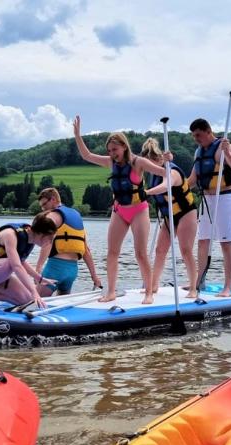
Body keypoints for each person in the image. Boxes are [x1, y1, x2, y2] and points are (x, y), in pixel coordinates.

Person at [73, 115, 171, 304]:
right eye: (109, 150)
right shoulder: (110, 162)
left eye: (115, 150)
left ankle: (149, 292)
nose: (111, 154)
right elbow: (87, 156)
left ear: (124, 147)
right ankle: (110, 292)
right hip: (119, 211)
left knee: (140, 254)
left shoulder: (138, 162)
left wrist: (166, 161)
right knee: (112, 252)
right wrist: (78, 135)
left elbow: (162, 172)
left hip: (139, 211)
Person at [187, 118, 231, 297]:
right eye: (194, 136)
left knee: (225, 242)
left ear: (208, 131)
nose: (196, 139)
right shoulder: (199, 152)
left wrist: (229, 153)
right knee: (203, 240)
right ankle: (199, 282)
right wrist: (172, 190)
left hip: (225, 197)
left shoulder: (222, 146)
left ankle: (227, 287)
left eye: (198, 135)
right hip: (206, 199)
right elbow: (191, 181)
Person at [139, 138, 199, 298]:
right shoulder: (155, 172)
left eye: (149, 164)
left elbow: (166, 185)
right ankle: (153, 285)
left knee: (186, 250)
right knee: (160, 250)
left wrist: (148, 192)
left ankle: (194, 287)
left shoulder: (170, 171)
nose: (148, 169)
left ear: (156, 159)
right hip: (169, 216)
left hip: (186, 213)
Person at [0, 212, 57, 308]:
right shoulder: (10, 234)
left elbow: (22, 262)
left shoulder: (30, 238)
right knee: (11, 263)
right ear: (41, 234)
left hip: (1, 277)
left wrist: (39, 279)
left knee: (28, 301)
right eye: (50, 238)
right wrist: (34, 292)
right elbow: (16, 266)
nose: (51, 242)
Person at [34, 188, 102, 297]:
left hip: (55, 268)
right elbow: (86, 251)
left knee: (34, 302)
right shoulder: (76, 215)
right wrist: (94, 276)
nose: (43, 209)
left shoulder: (53, 215)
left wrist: (37, 270)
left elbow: (48, 241)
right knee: (61, 307)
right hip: (72, 271)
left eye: (44, 205)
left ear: (53, 199)